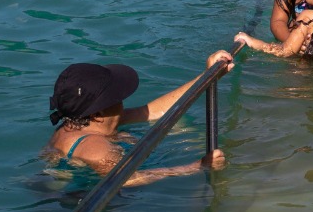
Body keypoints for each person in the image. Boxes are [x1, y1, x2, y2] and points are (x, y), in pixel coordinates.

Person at [44, 51, 233, 182]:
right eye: (116, 97)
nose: (122, 100)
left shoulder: (84, 122)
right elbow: (125, 180)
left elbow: (156, 110)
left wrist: (209, 75)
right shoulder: (94, 146)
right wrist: (195, 167)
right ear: (98, 113)